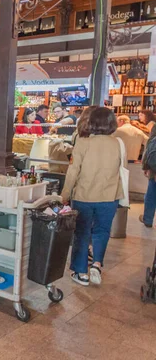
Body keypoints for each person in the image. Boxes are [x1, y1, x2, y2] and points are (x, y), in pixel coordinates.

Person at [61, 107, 124, 287]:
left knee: (82, 232)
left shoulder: (83, 141)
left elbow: (73, 171)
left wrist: (65, 194)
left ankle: (81, 272)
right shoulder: (117, 143)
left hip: (85, 195)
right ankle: (96, 263)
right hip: (110, 196)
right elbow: (122, 168)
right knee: (102, 231)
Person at [141, 126, 156, 228]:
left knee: (151, 196)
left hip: (154, 172)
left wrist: (146, 167)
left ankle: (148, 219)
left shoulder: (153, 139)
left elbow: (149, 154)